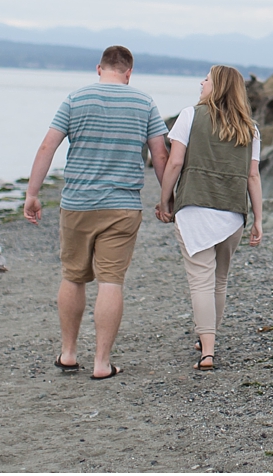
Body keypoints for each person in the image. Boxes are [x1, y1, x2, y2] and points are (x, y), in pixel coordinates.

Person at [25, 45, 170, 380]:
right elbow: (160, 156)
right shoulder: (144, 102)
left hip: (78, 203)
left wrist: (33, 193)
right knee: (111, 281)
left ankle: (69, 354)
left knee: (74, 276)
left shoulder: (75, 98)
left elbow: (48, 145)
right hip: (122, 206)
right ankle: (103, 363)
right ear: (129, 73)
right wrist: (166, 199)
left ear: (99, 69)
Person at [156, 64, 263, 371]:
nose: (201, 82)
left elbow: (175, 163)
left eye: (206, 79)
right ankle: (208, 339)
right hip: (232, 212)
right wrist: (258, 218)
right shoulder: (249, 127)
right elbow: (252, 176)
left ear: (217, 86)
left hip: (195, 208)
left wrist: (165, 200)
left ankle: (207, 351)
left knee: (200, 281)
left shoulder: (190, 115)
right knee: (219, 281)